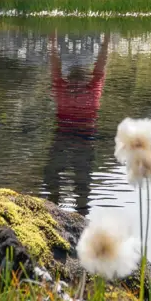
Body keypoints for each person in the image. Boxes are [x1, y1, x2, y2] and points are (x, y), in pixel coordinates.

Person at [42, 33, 110, 214]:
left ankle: (53, 211)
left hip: (63, 138)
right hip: (84, 139)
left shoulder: (63, 90)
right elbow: (101, 65)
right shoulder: (91, 92)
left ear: (70, 76)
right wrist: (106, 41)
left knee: (53, 178)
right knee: (81, 183)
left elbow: (54, 63)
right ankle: (80, 217)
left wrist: (53, 41)